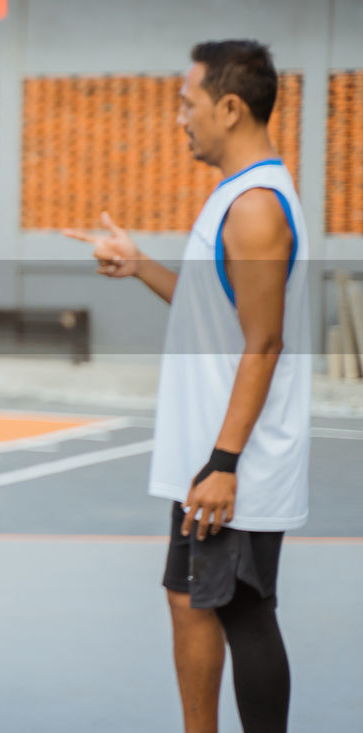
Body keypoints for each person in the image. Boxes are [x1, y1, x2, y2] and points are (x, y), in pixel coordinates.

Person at [65, 40, 308, 733]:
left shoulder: (257, 206)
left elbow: (264, 344)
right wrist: (142, 265)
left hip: (233, 460)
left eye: (187, 101)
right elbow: (222, 313)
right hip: (210, 454)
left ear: (229, 107)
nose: (180, 117)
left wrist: (224, 461)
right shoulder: (234, 195)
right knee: (190, 598)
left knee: (243, 610)